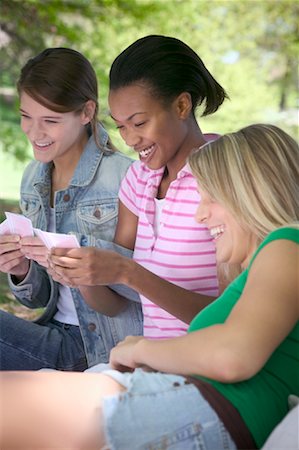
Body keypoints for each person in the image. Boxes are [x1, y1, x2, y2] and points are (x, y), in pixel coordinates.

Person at [1, 123, 298, 450]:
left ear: (250, 194)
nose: (200, 216)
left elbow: (232, 357)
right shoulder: (258, 268)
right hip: (196, 402)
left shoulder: (287, 244)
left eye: (211, 199)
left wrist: (141, 349)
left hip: (211, 407)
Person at [49, 35, 229, 340]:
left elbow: (233, 318)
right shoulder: (138, 180)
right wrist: (82, 277)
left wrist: (129, 272)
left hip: (204, 369)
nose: (130, 140)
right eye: (121, 126)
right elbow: (119, 303)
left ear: (182, 105)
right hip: (151, 363)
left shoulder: (227, 175)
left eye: (140, 122)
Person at [0, 47, 142, 371]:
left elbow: (139, 288)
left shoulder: (126, 178)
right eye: (26, 116)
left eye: (50, 120)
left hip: (101, 346)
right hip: (52, 333)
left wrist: (83, 265)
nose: (34, 133)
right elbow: (37, 299)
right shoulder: (33, 178)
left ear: (86, 112)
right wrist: (20, 269)